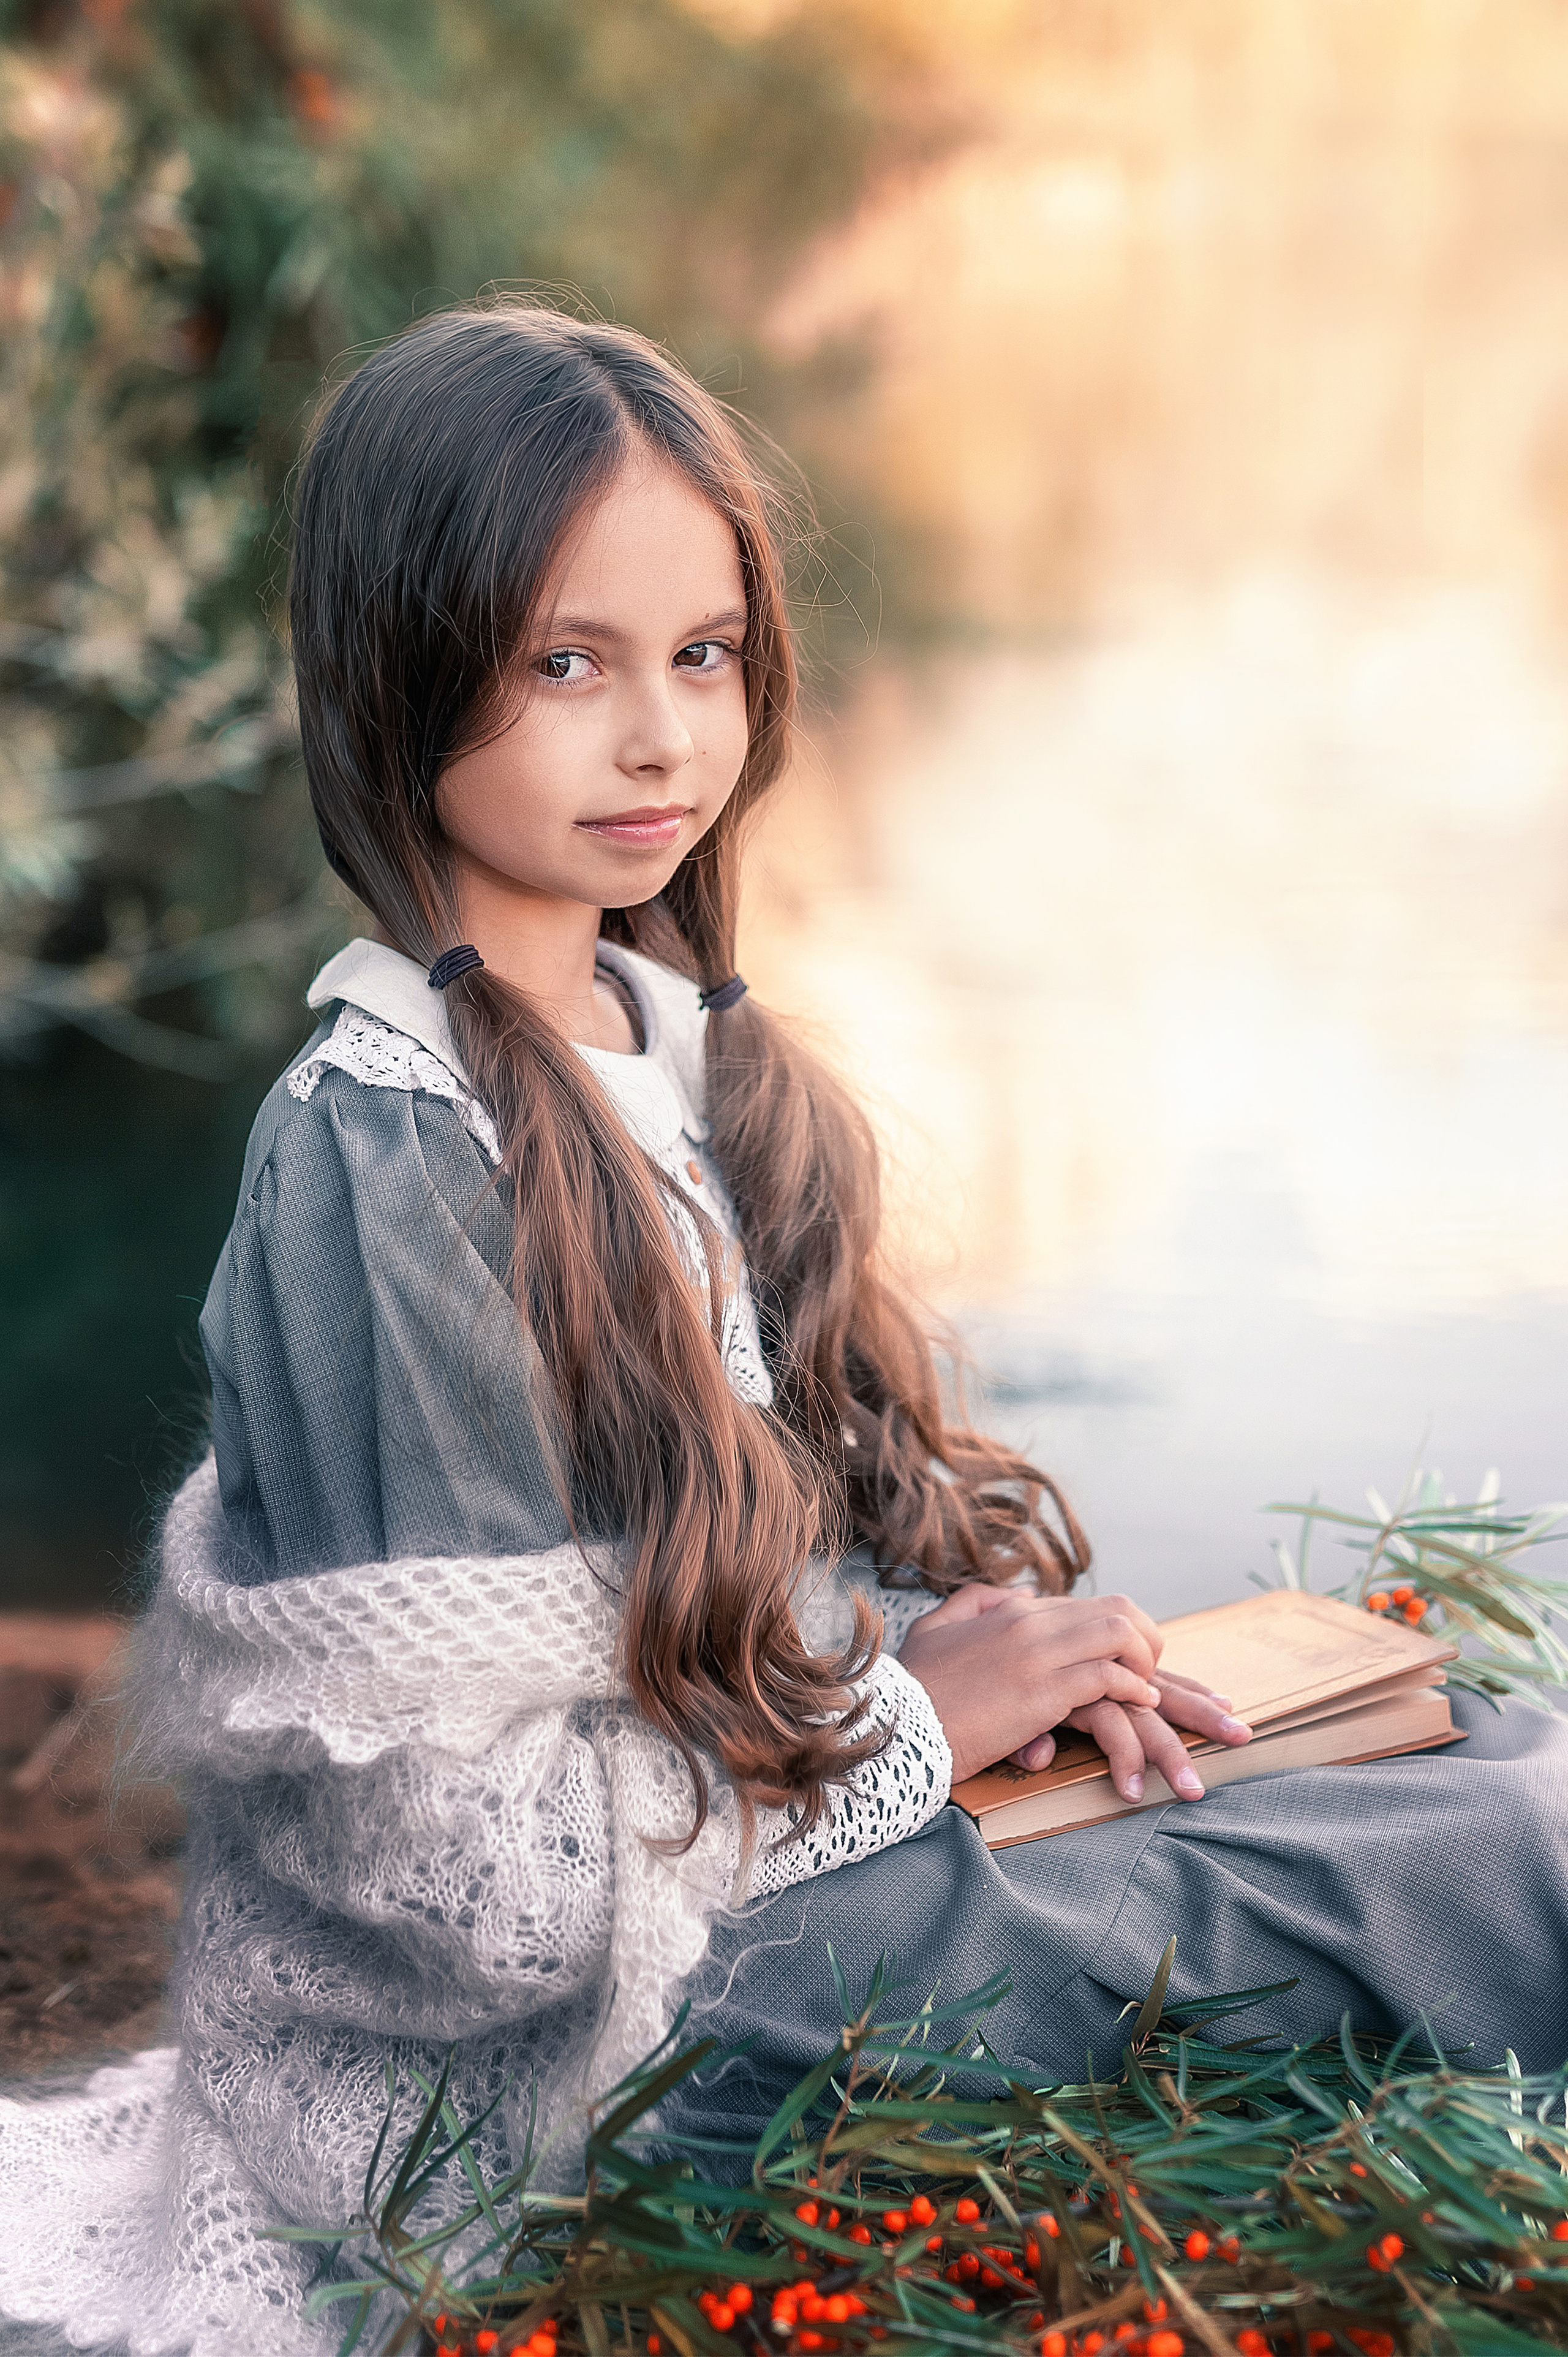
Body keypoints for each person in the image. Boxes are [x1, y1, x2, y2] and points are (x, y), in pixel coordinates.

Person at [4, 303, 1567, 2355]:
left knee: (1478, 1749)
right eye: (565, 661)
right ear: (394, 672)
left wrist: (1021, 1682)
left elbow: (785, 1581)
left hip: (791, 1869)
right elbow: (455, 1883)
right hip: (601, 2057)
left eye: (703, 655)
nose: (659, 738)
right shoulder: (385, 1166)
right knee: (1482, 1874)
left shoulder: (674, 1052)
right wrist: (921, 1723)